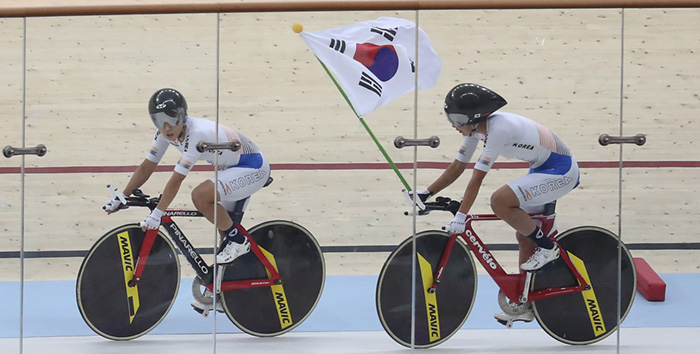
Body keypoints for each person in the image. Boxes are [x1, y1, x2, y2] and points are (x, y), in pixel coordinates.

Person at [413, 83, 579, 325]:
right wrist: (426, 193)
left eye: (457, 118)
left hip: (561, 172)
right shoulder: (476, 131)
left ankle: (548, 248)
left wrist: (461, 215)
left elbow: (477, 177)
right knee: (524, 236)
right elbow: (458, 166)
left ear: (474, 116)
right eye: (451, 118)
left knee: (500, 201)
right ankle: (524, 304)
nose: (453, 124)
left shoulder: (499, 130)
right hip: (543, 168)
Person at [103, 88, 270, 313]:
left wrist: (158, 213)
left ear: (182, 116)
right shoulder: (164, 133)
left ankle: (240, 242)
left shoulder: (196, 134)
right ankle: (222, 293)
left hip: (252, 168)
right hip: (232, 168)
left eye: (171, 119)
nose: (166, 128)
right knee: (225, 231)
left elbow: (176, 180)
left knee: (200, 197)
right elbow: (147, 166)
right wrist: (123, 196)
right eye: (159, 121)